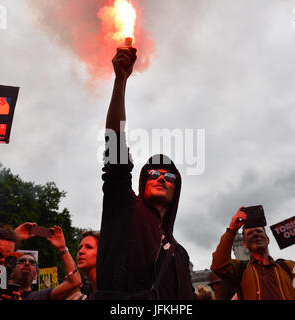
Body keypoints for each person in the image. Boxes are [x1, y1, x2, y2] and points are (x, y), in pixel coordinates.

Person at [94, 46, 196, 300]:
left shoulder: (180, 253)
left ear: (177, 190)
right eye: (153, 173)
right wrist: (120, 81)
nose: (162, 177)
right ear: (142, 182)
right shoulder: (125, 208)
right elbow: (115, 145)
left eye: (169, 176)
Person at [211, 207, 295, 300]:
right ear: (245, 244)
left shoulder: (292, 267)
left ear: (268, 239)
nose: (255, 234)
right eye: (250, 233)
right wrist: (231, 230)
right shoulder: (240, 270)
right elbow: (218, 265)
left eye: (259, 231)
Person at [10, 224, 82, 300]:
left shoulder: (42, 296)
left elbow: (75, 281)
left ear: (36, 275)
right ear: (11, 272)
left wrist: (62, 248)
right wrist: (14, 238)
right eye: (21, 261)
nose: (27, 263)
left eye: (32, 262)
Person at [67, 230, 99, 300]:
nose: (80, 251)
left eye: (89, 247)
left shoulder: (113, 287)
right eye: (80, 248)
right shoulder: (91, 289)